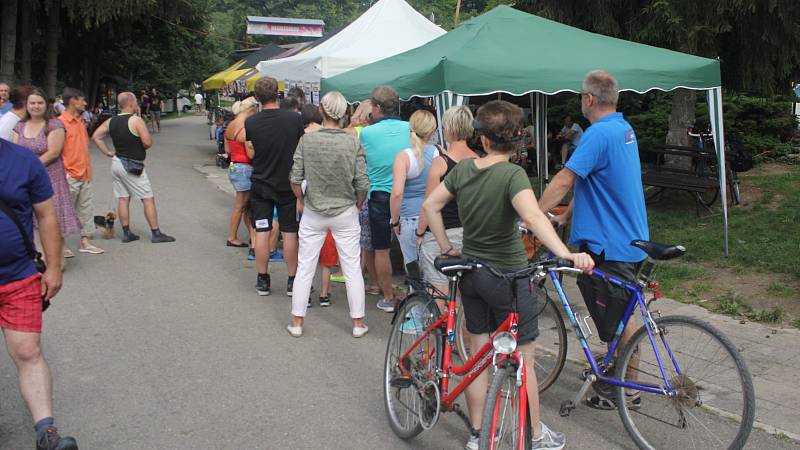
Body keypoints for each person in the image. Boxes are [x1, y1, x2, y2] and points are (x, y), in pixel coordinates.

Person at [424, 100, 594, 450]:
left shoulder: (464, 169)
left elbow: (430, 205)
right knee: (523, 361)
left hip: (472, 271)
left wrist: (446, 246)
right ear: (517, 142)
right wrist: (565, 254)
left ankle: (477, 433)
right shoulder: (513, 175)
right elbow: (532, 218)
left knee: (477, 353)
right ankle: (533, 434)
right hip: (510, 277)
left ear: (482, 139)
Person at [539, 70, 649, 409]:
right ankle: (615, 375)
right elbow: (592, 182)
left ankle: (627, 390)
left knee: (622, 317)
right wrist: (565, 216)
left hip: (609, 243)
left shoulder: (597, 134)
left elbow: (564, 180)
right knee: (618, 313)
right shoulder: (622, 128)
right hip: (626, 235)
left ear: (589, 99)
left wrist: (529, 216)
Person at [0, 138, 79, 450]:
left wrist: (54, 266)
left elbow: (46, 215)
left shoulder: (22, 160)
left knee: (28, 351)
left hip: (18, 276)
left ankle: (47, 433)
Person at [288, 91, 369, 338]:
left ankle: (298, 322)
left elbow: (295, 178)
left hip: (314, 209)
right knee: (352, 267)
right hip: (345, 209)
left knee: (305, 267)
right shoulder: (352, 141)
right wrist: (357, 203)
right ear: (344, 112)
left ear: (321, 111)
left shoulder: (307, 140)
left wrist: (301, 200)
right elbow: (363, 183)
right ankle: (357, 323)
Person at [245, 77, 304, 296]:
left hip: (261, 183)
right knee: (289, 233)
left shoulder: (251, 123)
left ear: (258, 97)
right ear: (278, 94)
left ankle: (263, 278)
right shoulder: (294, 119)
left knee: (262, 231)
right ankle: (292, 280)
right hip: (287, 183)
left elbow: (253, 148)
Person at [91, 92, 175, 244]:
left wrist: (108, 152)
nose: (137, 104)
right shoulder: (136, 120)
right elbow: (147, 142)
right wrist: (137, 147)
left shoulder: (112, 120)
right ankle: (156, 233)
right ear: (131, 103)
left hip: (116, 162)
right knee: (147, 198)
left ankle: (127, 233)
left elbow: (96, 136)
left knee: (123, 198)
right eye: (136, 101)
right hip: (132, 165)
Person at [415, 105, 478, 300]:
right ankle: (460, 328)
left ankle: (440, 329)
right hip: (469, 232)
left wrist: (419, 233)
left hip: (441, 233)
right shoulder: (479, 161)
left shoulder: (441, 163)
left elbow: (430, 203)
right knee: (464, 293)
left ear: (447, 129)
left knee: (438, 290)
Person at [11, 89, 82, 260]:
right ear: (26, 105)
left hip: (49, 177)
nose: (36, 106)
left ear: (46, 104)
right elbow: (15, 151)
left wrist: (29, 169)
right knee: (32, 219)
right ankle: (38, 257)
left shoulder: (54, 125)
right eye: (32, 103)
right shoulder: (19, 126)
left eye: (39, 103)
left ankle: (54, 260)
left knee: (51, 218)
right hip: (25, 178)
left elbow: (53, 153)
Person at [360, 86, 410, 312]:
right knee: (411, 247)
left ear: (378, 107)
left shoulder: (367, 133)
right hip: (407, 192)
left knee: (382, 249)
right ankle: (414, 294)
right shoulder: (410, 129)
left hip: (379, 194)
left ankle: (389, 297)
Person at [389, 110, 438, 269]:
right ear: (432, 131)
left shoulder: (403, 157)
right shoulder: (439, 152)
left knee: (413, 269)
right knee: (432, 270)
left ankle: (416, 294)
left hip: (409, 218)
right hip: (433, 218)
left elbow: (397, 193)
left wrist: (395, 221)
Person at [58, 87, 104, 255]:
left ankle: (85, 242)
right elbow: (57, 151)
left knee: (86, 208)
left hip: (84, 173)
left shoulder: (80, 121)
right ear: (72, 101)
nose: (85, 103)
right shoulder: (60, 123)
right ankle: (60, 245)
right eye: (82, 100)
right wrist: (66, 171)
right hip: (69, 174)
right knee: (63, 211)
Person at [344, 100, 380, 294]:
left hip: (363, 190)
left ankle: (373, 282)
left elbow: (339, 133)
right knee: (375, 243)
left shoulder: (359, 133)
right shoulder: (380, 134)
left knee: (366, 242)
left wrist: (352, 123)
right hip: (381, 188)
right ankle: (370, 278)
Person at [224, 97, 258, 252]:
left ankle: (253, 237)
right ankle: (232, 237)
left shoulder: (230, 126)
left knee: (245, 206)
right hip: (244, 168)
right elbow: (251, 154)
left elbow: (228, 151)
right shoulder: (245, 129)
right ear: (250, 111)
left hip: (234, 167)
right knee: (241, 206)